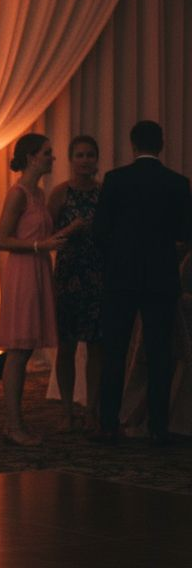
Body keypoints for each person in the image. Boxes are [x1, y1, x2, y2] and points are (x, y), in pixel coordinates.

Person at [93, 120, 192, 446]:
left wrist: (115, 260)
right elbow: (186, 234)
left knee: (115, 353)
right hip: (161, 277)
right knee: (160, 354)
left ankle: (108, 424)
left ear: (133, 145)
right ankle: (158, 427)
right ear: (161, 145)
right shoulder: (177, 183)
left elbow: (100, 232)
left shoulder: (115, 180)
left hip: (121, 277)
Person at [0, 134, 74, 446]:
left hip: (38, 268)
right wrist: (42, 245)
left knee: (24, 349)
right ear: (31, 157)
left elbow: (41, 234)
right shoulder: (19, 194)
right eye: (47, 153)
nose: (52, 158)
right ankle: (13, 424)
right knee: (18, 349)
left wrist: (68, 231)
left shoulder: (39, 193)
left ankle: (14, 422)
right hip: (24, 271)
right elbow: (2, 239)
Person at [47, 135, 103, 432]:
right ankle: (67, 410)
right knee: (66, 346)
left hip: (97, 275)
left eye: (90, 155)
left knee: (96, 345)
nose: (85, 160)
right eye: (79, 155)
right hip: (68, 275)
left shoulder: (104, 192)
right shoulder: (59, 194)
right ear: (71, 159)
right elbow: (49, 237)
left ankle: (91, 408)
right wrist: (73, 229)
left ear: (97, 159)